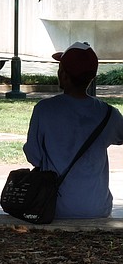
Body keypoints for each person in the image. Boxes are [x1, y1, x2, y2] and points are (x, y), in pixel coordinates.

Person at [23, 41, 123, 219]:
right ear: (92, 77)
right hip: (97, 208)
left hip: (54, 207)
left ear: (64, 75)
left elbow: (34, 156)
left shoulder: (44, 110)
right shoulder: (109, 114)